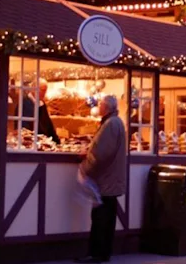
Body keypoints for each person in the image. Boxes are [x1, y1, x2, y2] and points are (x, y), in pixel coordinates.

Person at [75, 95, 127, 264]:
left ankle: (96, 253)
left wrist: (86, 168)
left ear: (107, 108)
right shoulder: (115, 122)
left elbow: (101, 153)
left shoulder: (110, 124)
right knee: (107, 217)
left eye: (101, 105)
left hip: (106, 180)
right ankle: (103, 253)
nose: (99, 108)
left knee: (100, 217)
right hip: (110, 179)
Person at [22, 78, 61, 144]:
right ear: (33, 89)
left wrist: (57, 141)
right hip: (33, 145)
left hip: (45, 143)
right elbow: (24, 130)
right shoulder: (24, 104)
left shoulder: (42, 104)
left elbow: (49, 125)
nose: (44, 93)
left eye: (45, 91)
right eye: (42, 90)